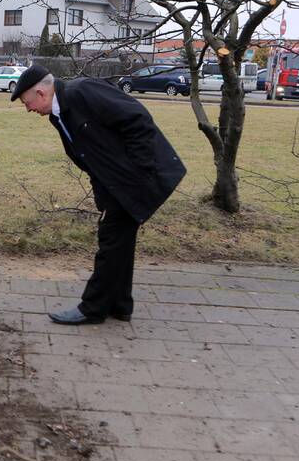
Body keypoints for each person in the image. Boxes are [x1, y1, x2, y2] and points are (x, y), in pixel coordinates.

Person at [12, 65, 186, 325]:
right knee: (120, 242)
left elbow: (137, 118)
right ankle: (120, 304)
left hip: (136, 178)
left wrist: (138, 171)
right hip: (116, 184)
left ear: (40, 92)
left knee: (111, 241)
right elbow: (88, 156)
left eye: (28, 103)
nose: (29, 109)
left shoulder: (83, 92)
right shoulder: (59, 115)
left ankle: (92, 308)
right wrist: (102, 193)